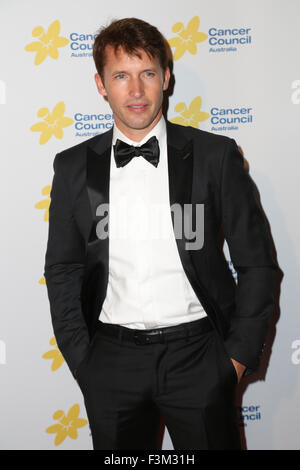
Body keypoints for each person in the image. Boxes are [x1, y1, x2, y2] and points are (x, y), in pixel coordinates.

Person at [44, 17, 278, 450]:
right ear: (101, 84)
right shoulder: (73, 167)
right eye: (121, 76)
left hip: (200, 357)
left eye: (147, 73)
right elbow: (63, 267)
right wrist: (85, 362)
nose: (135, 91)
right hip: (111, 360)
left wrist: (236, 359)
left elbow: (258, 264)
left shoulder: (215, 156)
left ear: (166, 78)